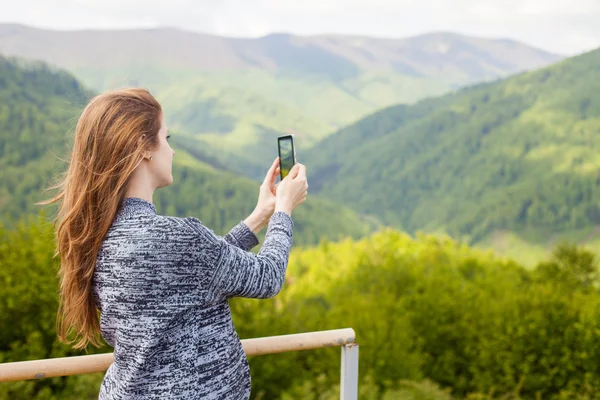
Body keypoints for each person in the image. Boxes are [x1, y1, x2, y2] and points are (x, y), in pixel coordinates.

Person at [42, 88, 308, 399]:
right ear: (144, 146)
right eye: (166, 139)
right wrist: (283, 210)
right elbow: (268, 276)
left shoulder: (98, 237)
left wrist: (259, 216)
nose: (172, 151)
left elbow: (192, 272)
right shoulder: (178, 240)